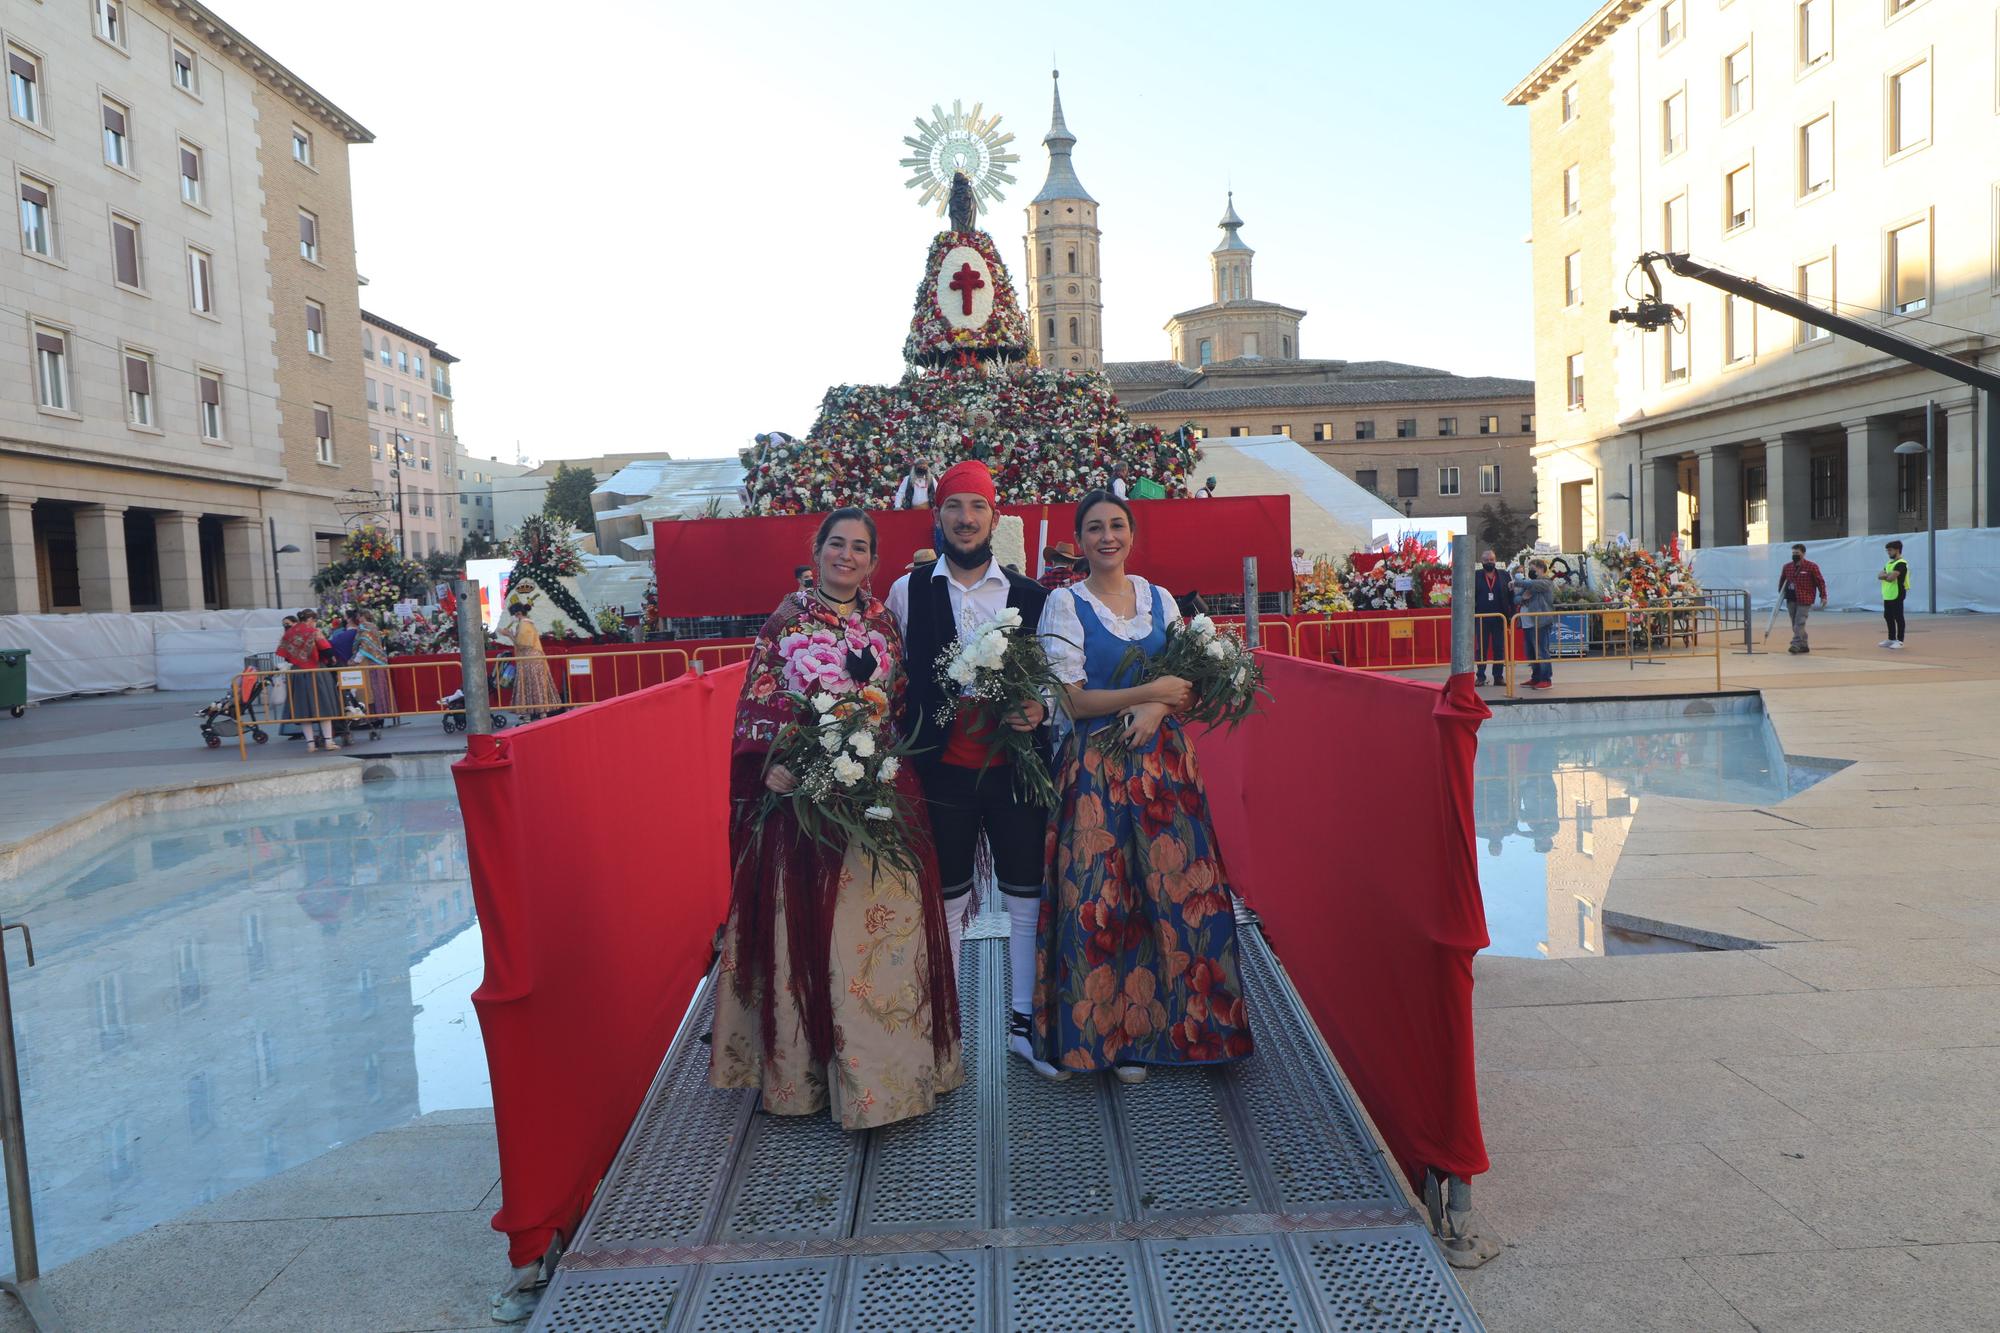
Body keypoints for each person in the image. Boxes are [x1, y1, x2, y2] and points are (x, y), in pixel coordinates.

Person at [710, 508, 963, 1129]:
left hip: (877, 791)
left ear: (874, 563)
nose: (846, 557)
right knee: (815, 934)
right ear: (817, 551)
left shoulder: (883, 621)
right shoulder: (785, 621)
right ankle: (807, 1077)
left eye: (859, 549)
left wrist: (878, 753)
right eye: (836, 545)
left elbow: (898, 700)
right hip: (806, 801)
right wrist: (774, 760)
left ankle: (892, 1071)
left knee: (883, 933)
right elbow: (758, 703)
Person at [1033, 489, 1253, 1082]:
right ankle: (1108, 1037)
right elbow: (1072, 700)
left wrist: (1159, 709)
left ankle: (1169, 1031)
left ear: (1131, 534)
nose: (1108, 537)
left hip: (1162, 765)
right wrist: (1147, 695)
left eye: (1117, 526)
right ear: (1079, 542)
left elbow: (1189, 686)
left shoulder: (1159, 599)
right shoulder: (1063, 605)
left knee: (1176, 889)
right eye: (1095, 528)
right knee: (1105, 897)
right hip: (1097, 771)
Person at [885, 459, 1056, 1079]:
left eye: (977, 508)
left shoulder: (1032, 596)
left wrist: (1041, 706)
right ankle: (945, 1028)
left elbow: (1057, 682)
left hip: (1015, 772)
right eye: (955, 508)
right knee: (948, 898)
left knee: (1024, 897)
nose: (965, 519)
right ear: (939, 516)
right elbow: (892, 677)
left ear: (994, 517)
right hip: (943, 773)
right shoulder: (908, 592)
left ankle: (1021, 1022)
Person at [275, 609, 340, 751]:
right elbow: (327, 651)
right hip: (316, 672)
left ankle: (310, 744)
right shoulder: (314, 631)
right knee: (324, 706)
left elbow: (285, 655)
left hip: (298, 673)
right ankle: (328, 742)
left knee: (303, 709)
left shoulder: (290, 633)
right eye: (314, 620)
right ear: (310, 619)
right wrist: (330, 660)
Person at [493, 601, 560, 715]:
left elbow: (522, 644)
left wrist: (509, 635)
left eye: (513, 615)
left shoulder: (524, 625)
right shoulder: (527, 624)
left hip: (530, 659)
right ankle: (539, 712)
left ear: (518, 613)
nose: (513, 618)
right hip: (532, 658)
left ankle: (535, 713)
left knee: (530, 685)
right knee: (536, 685)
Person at [1511, 559, 1558, 690]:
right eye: (1529, 569)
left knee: (1541, 651)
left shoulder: (1546, 582)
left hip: (1540, 622)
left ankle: (1546, 679)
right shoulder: (1529, 584)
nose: (1531, 571)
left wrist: (1516, 581)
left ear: (1541, 568)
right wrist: (1523, 598)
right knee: (1531, 652)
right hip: (1526, 623)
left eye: (1533, 569)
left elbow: (1530, 584)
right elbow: (1516, 599)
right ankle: (1535, 677)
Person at [1471, 549, 1515, 687]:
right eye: (1486, 560)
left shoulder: (1504, 575)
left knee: (1499, 648)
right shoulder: (1475, 576)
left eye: (1491, 560)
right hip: (1481, 618)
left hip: (1499, 618)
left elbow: (1511, 596)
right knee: (1481, 649)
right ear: (1481, 562)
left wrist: (1512, 615)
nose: (1489, 562)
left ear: (1495, 560)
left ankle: (1498, 677)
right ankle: (1481, 676)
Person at [1779, 544, 1829, 655]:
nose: (1795, 555)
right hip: (1791, 599)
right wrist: (1780, 596)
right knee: (1795, 624)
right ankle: (1804, 645)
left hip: (1805, 598)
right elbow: (1782, 581)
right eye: (1793, 553)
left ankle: (1795, 644)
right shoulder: (1787, 567)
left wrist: (1823, 596)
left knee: (1799, 622)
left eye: (1797, 553)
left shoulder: (1811, 566)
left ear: (1803, 553)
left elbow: (1820, 582)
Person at [350, 610, 394, 719]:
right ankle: (379, 714)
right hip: (377, 660)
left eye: (359, 616)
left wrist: (356, 660)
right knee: (377, 688)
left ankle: (370, 716)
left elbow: (364, 645)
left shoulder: (364, 626)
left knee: (367, 689)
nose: (358, 619)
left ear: (362, 617)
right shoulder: (374, 626)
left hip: (367, 661)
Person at [1879, 540, 1910, 649]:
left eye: (1890, 550)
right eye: (1887, 550)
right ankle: (1891, 638)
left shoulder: (1901, 563)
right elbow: (1879, 575)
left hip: (1898, 593)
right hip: (1888, 594)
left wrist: (1887, 576)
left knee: (1898, 616)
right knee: (1887, 616)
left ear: (1897, 550)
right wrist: (1887, 575)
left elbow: (1892, 578)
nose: (1888, 552)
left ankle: (1900, 640)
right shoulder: (1888, 564)